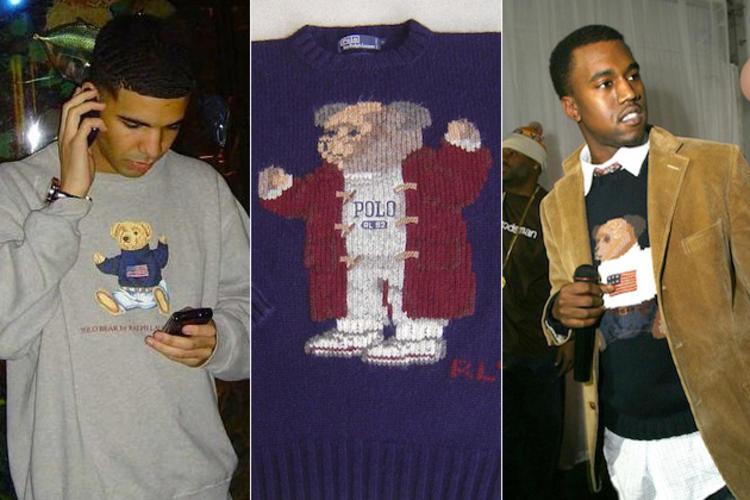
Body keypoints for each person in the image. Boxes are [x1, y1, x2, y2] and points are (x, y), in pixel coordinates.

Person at [0, 14, 249, 499]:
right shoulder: (18, 191)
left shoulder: (204, 190)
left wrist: (224, 340)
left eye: (170, 127)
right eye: (133, 124)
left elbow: (264, 318)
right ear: (89, 102)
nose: (152, 148)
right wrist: (67, 202)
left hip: (193, 485)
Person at [541, 24, 750, 499]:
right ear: (571, 107)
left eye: (632, 75)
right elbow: (559, 298)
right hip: (623, 446)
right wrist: (558, 312)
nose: (629, 91)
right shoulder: (557, 204)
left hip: (719, 438)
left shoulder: (714, 167)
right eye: (605, 83)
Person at [502, 121, 573, 498]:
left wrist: (568, 337)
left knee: (541, 438)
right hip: (495, 347)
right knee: (503, 437)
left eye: (511, 154)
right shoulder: (488, 201)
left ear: (534, 164)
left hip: (538, 345)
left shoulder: (552, 208)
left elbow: (569, 273)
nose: (503, 158)